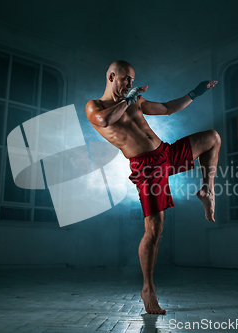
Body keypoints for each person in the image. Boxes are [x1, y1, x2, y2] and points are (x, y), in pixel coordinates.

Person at [85, 60, 221, 314]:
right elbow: (104, 121)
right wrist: (129, 99)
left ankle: (207, 190)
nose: (130, 84)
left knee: (213, 137)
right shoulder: (96, 106)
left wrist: (196, 92)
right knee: (155, 229)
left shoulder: (134, 100)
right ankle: (148, 289)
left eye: (132, 81)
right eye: (126, 79)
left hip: (165, 153)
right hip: (146, 168)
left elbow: (168, 108)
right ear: (112, 76)